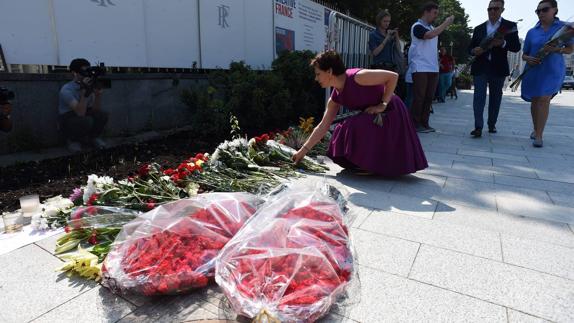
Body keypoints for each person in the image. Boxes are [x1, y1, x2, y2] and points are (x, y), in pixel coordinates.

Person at [292, 50, 428, 177]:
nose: (316, 79)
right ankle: (364, 163)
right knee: (343, 128)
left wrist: (382, 104)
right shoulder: (335, 98)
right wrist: (302, 152)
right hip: (375, 116)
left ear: (329, 71)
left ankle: (370, 164)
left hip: (392, 112)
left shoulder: (357, 77)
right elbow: (323, 125)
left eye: (318, 74)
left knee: (354, 125)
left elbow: (392, 76)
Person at [521, 0, 574, 147]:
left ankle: (539, 135)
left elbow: (570, 49)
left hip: (552, 70)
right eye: (538, 11)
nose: (541, 13)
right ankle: (535, 128)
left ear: (554, 10)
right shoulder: (532, 32)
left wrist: (555, 50)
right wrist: (528, 58)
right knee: (535, 100)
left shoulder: (565, 28)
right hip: (534, 69)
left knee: (544, 99)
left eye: (544, 10)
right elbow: (524, 54)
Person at [468, 0, 521, 138]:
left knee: (495, 98)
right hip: (480, 67)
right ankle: (478, 127)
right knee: (478, 97)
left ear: (502, 10)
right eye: (489, 8)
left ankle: (492, 124)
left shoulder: (509, 26)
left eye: (496, 8)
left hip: (498, 68)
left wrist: (502, 43)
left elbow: (516, 47)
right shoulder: (479, 28)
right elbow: (470, 48)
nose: (492, 11)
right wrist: (475, 50)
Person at [409, 2, 454, 133]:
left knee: (429, 97)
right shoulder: (417, 26)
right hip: (420, 67)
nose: (436, 16)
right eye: (434, 13)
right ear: (426, 12)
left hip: (433, 68)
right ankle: (414, 124)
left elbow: (432, 37)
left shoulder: (432, 27)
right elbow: (428, 36)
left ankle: (424, 123)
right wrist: (445, 24)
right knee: (420, 96)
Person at [59, 58, 109, 152]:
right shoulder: (66, 90)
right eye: (84, 71)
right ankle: (73, 141)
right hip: (69, 118)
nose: (87, 74)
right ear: (75, 73)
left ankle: (93, 138)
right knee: (86, 120)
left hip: (83, 112)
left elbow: (96, 110)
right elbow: (80, 113)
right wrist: (84, 93)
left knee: (102, 115)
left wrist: (98, 95)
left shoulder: (89, 84)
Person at [369, 10, 406, 99]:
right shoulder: (373, 35)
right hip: (379, 67)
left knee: (390, 94)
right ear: (379, 21)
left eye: (388, 21)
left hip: (391, 67)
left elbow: (398, 49)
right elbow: (375, 52)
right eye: (385, 21)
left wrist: (396, 37)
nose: (387, 23)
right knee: (379, 93)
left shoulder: (389, 34)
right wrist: (386, 39)